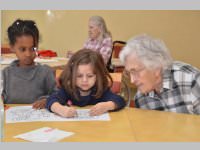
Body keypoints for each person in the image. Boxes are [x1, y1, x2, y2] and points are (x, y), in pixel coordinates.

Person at [119, 34, 200, 114]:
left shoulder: (191, 81)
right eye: (129, 73)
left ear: (156, 67)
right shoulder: (141, 98)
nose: (132, 80)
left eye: (135, 72)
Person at [46, 49, 126, 117]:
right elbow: (51, 100)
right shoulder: (68, 89)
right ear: (72, 75)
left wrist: (108, 105)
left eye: (90, 76)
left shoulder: (100, 90)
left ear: (98, 75)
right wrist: (60, 109)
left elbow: (120, 100)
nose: (84, 80)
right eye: (79, 76)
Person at [2, 19, 56, 109]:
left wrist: (48, 100)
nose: (28, 54)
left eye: (33, 48)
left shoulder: (45, 72)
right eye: (22, 49)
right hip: (12, 121)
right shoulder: (6, 74)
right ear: (12, 47)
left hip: (39, 120)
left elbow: (58, 95)